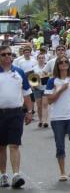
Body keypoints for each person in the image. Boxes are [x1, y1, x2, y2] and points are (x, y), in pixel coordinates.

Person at [0, 45, 33, 189]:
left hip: (16, 113)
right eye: (3, 54)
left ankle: (16, 175)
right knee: (1, 146)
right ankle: (3, 175)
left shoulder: (19, 72)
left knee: (14, 144)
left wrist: (30, 111)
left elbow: (26, 92)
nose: (7, 57)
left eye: (9, 54)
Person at [32, 53, 50, 128]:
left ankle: (45, 121)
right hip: (37, 89)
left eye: (42, 58)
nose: (41, 59)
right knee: (39, 106)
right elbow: (32, 78)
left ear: (44, 59)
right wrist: (33, 85)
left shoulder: (47, 67)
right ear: (37, 59)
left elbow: (50, 76)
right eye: (40, 58)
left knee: (45, 105)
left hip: (45, 88)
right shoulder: (34, 68)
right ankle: (40, 120)